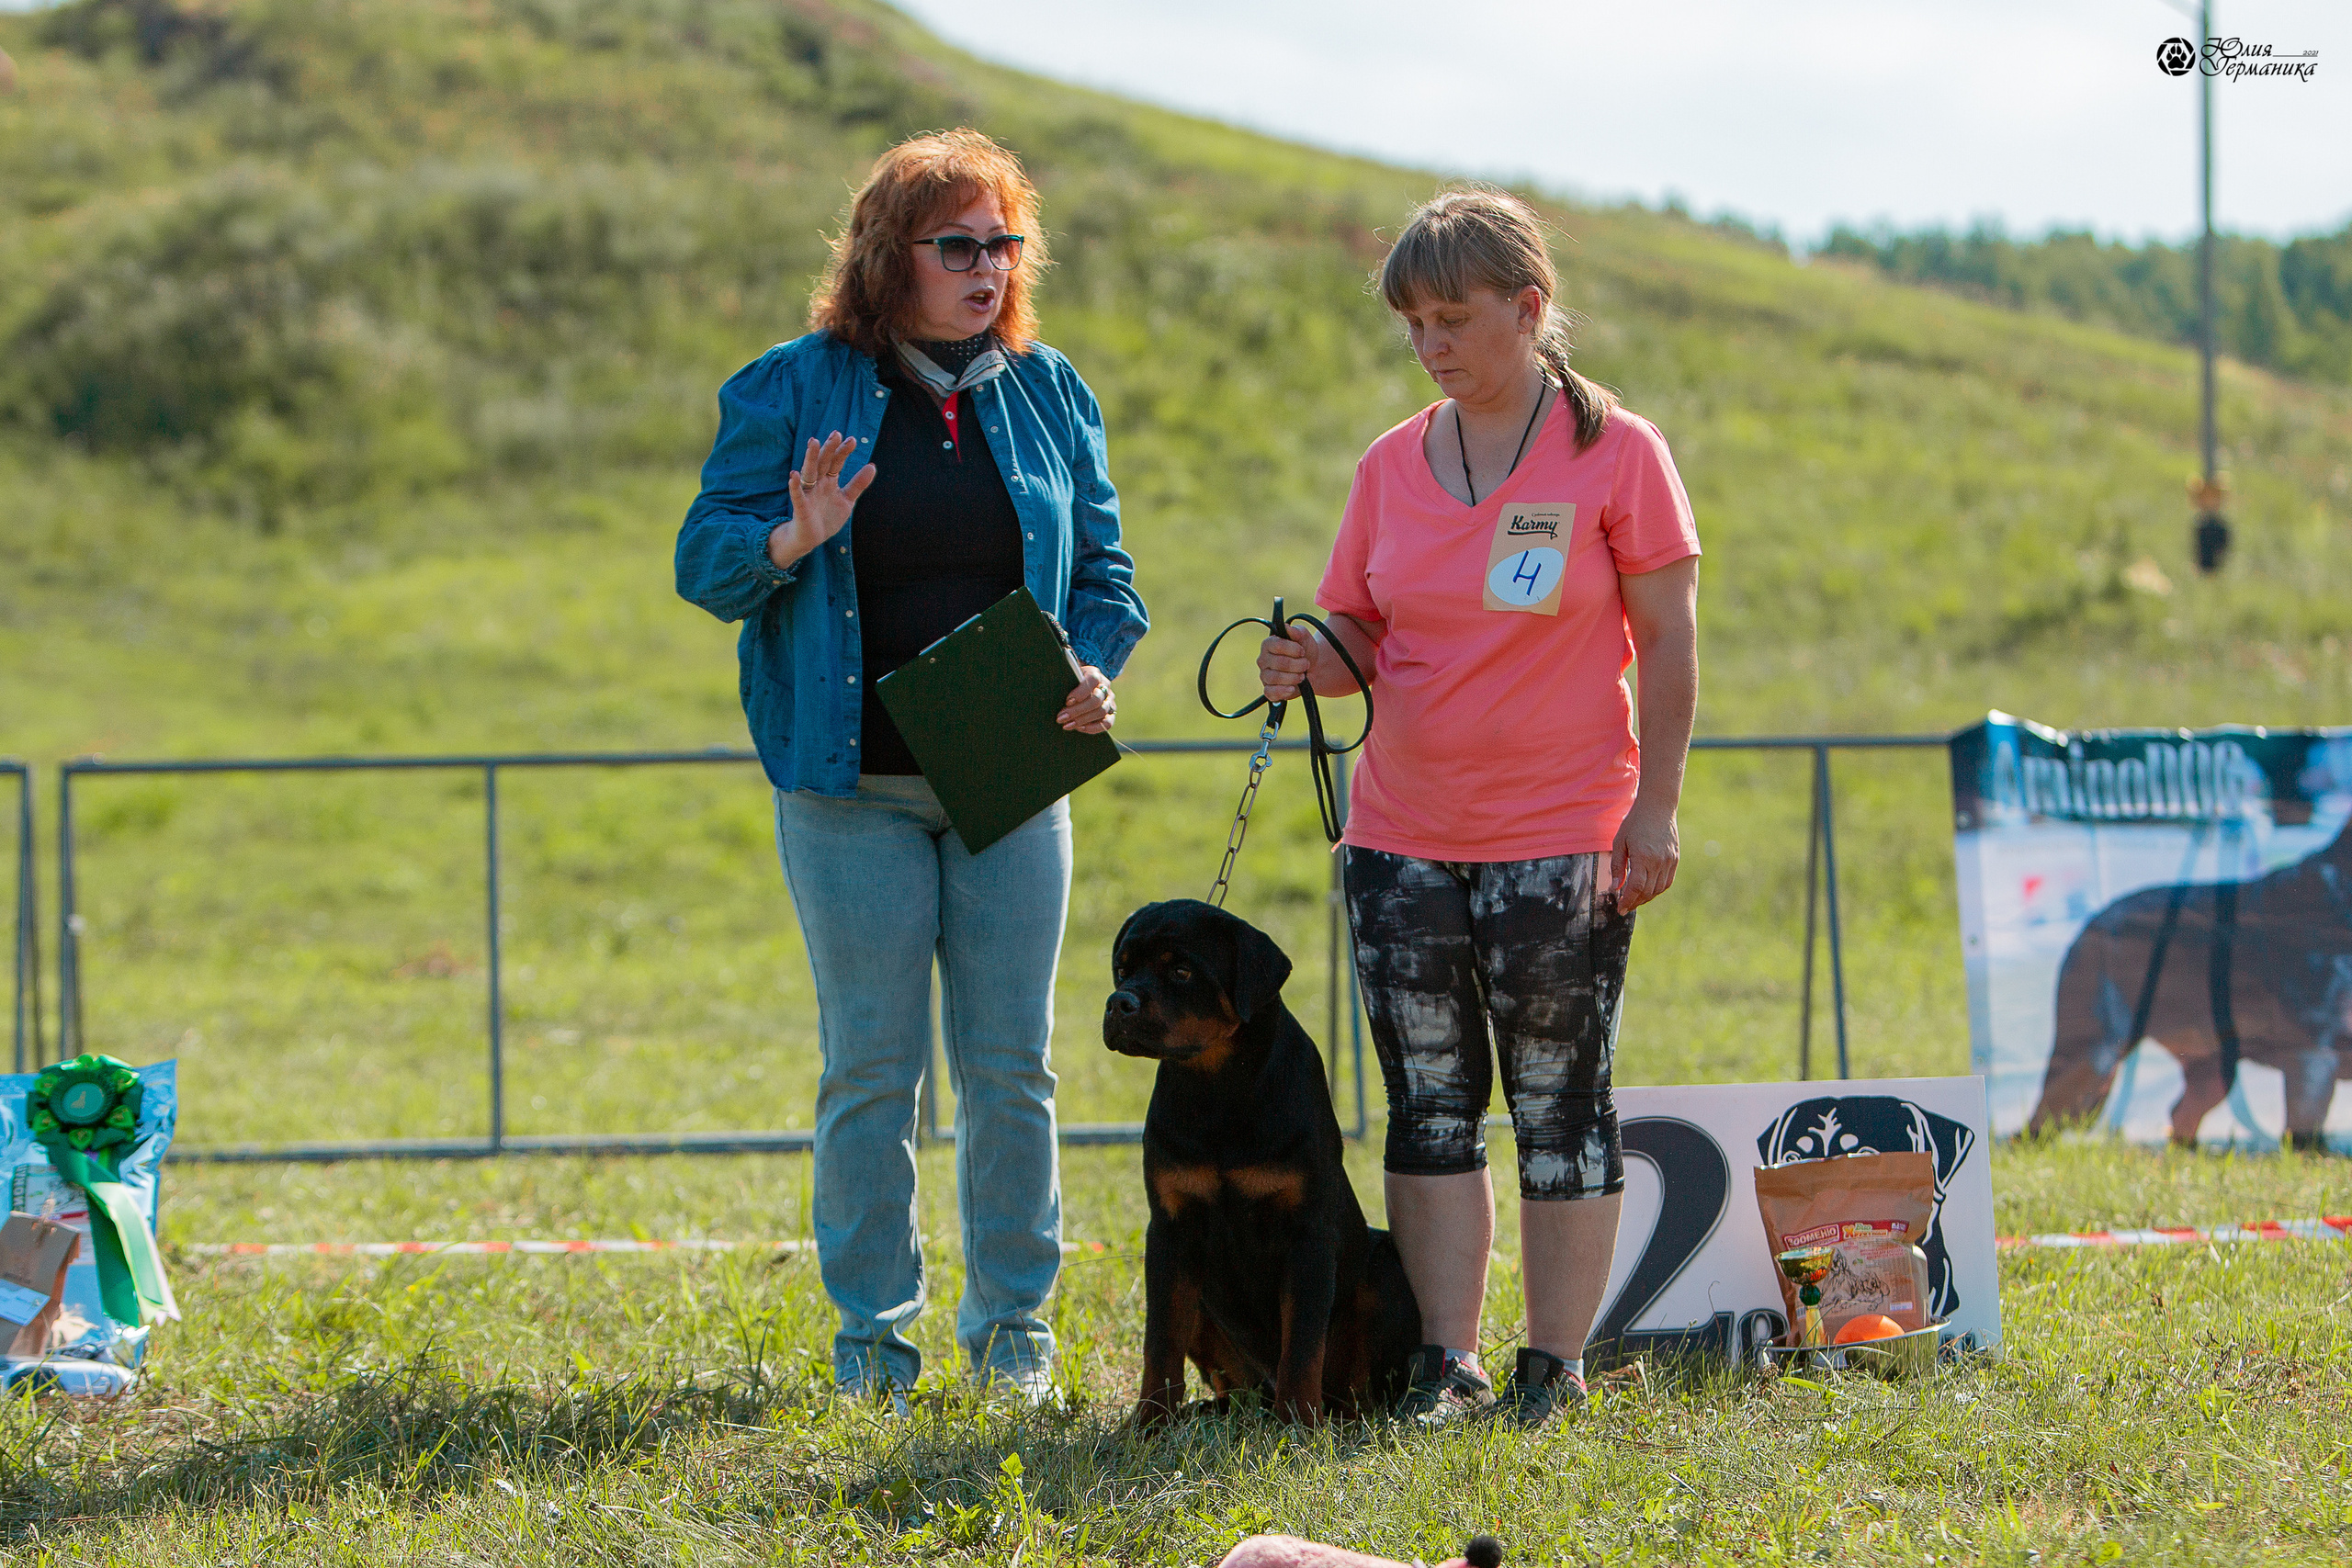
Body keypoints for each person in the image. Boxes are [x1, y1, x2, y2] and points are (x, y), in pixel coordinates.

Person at [675, 130, 1148, 1406]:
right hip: (850, 789)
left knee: (1013, 1070)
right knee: (874, 1071)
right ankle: (873, 1350)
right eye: (960, 246)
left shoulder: (1051, 391)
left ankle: (1013, 1348)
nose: (988, 268)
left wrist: (1095, 667)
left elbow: (1107, 580)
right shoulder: (792, 385)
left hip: (1011, 779)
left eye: (1005, 243)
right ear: (894, 257)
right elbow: (704, 563)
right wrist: (795, 532)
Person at [1258, 187, 1699, 1428]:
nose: (1434, 344)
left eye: (1454, 316)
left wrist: (1654, 813)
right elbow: (1359, 632)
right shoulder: (1390, 464)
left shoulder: (1621, 454)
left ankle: (1550, 1366)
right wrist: (1310, 660)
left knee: (1562, 1104)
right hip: (1399, 836)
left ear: (1530, 307)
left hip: (1564, 836)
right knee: (1430, 1105)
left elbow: (1666, 646)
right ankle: (1444, 1363)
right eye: (1415, 324)